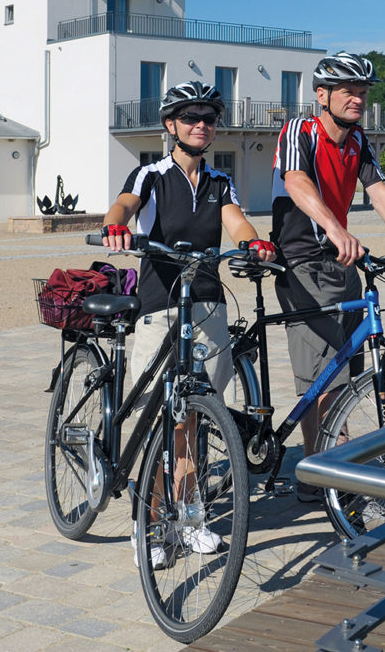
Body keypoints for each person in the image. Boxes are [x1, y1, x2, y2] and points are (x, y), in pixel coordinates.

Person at [101, 81, 275, 565]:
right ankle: (152, 526)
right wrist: (116, 225)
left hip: (207, 306)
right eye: (191, 117)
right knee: (161, 420)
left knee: (194, 417)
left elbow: (236, 221)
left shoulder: (221, 181)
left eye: (209, 118)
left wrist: (253, 243)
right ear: (171, 125)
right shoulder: (151, 175)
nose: (202, 125)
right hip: (161, 306)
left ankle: (191, 514)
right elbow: (124, 206)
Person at [269, 52, 385, 500]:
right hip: (303, 262)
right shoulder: (298, 132)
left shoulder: (357, 141)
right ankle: (316, 474)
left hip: (343, 263)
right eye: (348, 91)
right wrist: (335, 227)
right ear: (322, 95)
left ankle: (336, 465)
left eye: (363, 92)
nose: (358, 99)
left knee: (348, 368)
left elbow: (379, 192)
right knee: (321, 374)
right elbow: (296, 181)